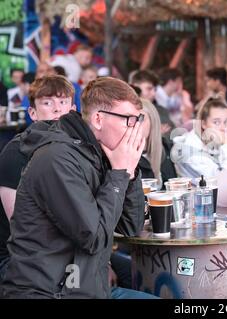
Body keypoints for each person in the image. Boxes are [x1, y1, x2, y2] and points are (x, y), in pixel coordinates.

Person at [0, 77, 147, 298]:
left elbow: (130, 227)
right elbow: (93, 236)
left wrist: (130, 172)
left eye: (138, 120)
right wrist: (119, 173)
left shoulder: (99, 154)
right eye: (129, 119)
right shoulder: (56, 158)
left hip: (86, 288)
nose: (134, 129)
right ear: (98, 119)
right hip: (49, 292)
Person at [0, 75, 76, 283]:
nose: (56, 109)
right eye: (47, 102)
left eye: (63, 102)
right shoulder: (16, 153)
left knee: (128, 270)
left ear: (74, 110)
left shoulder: (77, 150)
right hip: (19, 259)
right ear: (32, 113)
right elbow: (22, 229)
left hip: (67, 253)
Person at [171, 98, 227, 179]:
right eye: (216, 122)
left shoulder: (215, 143)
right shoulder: (189, 150)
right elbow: (225, 180)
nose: (223, 128)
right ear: (204, 124)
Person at [139, 99, 177, 185]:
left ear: (153, 121)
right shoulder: (126, 155)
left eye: (141, 118)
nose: (136, 123)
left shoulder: (166, 147)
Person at [130, 70, 175, 136]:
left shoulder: (161, 112)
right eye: (149, 88)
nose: (154, 94)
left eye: (155, 90)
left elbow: (173, 137)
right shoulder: (127, 112)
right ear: (135, 87)